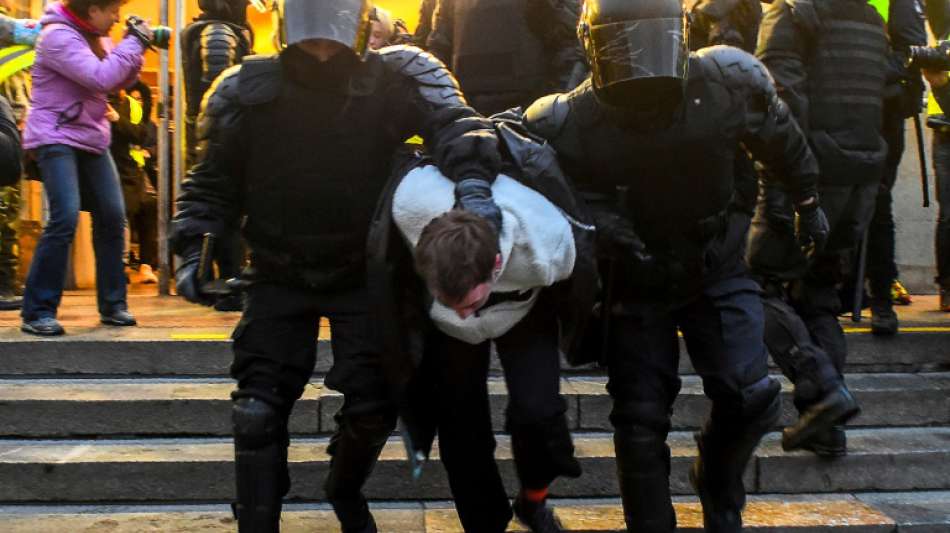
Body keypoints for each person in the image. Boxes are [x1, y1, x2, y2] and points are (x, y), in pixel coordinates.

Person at [170, 0, 503, 530]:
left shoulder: (397, 77)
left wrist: (473, 187)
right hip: (279, 269)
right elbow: (211, 182)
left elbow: (458, 130)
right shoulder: (246, 88)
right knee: (256, 411)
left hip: (362, 271)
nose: (322, 48)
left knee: (373, 403)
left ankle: (343, 489)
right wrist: (196, 245)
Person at [522, 1, 829, 531]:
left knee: (751, 394)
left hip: (714, 260)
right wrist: (595, 219)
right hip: (635, 282)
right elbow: (531, 179)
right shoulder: (567, 118)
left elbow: (781, 139)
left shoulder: (727, 80)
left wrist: (806, 200)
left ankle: (716, 480)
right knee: (640, 424)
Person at [385, 118, 595, 532]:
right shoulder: (409, 205)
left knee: (538, 410)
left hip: (524, 303)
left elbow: (581, 285)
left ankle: (533, 500)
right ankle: (485, 524)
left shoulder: (548, 247)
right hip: (447, 316)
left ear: (496, 267)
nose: (464, 314)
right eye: (452, 302)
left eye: (469, 303)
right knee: (461, 427)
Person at [750, 0, 890, 456]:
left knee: (756, 286)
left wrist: (779, 191)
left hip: (812, 179)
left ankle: (822, 388)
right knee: (818, 296)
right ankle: (827, 427)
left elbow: (779, 109)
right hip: (862, 177)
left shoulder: (791, 14)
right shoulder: (870, 17)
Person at [20, 0, 153, 335]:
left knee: (112, 214)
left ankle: (113, 305)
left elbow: (117, 82)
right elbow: (99, 78)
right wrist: (134, 42)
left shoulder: (94, 35)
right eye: (111, 11)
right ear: (92, 9)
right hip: (56, 136)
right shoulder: (57, 37)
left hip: (91, 137)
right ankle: (37, 311)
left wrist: (132, 47)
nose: (115, 18)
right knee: (64, 217)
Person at [858, 0, 927, 334]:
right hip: (837, 103)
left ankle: (881, 298)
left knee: (876, 202)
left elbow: (911, 50)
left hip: (881, 110)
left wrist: (867, 72)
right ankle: (847, 290)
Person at [180, 0, 253, 312]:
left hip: (209, 135)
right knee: (228, 211)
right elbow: (220, 91)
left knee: (223, 210)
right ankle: (229, 282)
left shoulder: (212, 30)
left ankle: (221, 278)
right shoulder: (220, 33)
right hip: (218, 138)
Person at [427, 0, 586, 116]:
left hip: (528, 114)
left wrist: (553, 108)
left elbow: (569, 48)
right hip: (469, 114)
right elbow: (439, 51)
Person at [0, 6, 41, 310]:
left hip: (12, 138)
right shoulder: (12, 40)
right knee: (5, 214)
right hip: (7, 139)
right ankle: (3, 285)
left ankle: (6, 281)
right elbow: (36, 30)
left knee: (8, 213)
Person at [108, 79, 157, 283]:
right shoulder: (96, 101)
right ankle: (119, 265)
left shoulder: (133, 109)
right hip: (110, 169)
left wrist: (117, 119)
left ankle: (144, 265)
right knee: (118, 217)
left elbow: (142, 135)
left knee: (147, 209)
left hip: (132, 171)